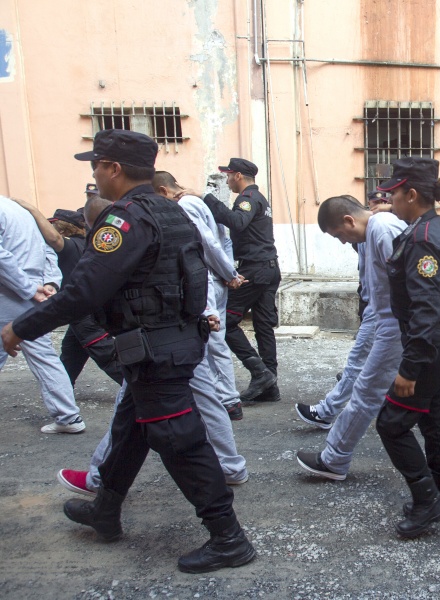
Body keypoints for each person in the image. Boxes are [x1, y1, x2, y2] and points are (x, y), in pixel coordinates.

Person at [1, 130, 255, 573]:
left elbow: (82, 291)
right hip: (168, 344)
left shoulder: (125, 220)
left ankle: (228, 537)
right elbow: (196, 274)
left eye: (96, 166)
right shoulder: (169, 210)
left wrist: (20, 327)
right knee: (132, 428)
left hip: (155, 350)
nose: (95, 174)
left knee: (179, 441)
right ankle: (106, 511)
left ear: (114, 169)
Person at [296, 195, 440, 483]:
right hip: (387, 320)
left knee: (367, 392)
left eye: (339, 234)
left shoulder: (382, 228)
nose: (343, 241)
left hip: (394, 325)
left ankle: (334, 459)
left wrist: (410, 334)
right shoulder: (375, 228)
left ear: (348, 220)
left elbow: (414, 284)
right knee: (425, 395)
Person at [371, 157, 440, 538]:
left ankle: (428, 501)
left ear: (411, 194)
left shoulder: (424, 237)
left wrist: (409, 368)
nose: (388, 199)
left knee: (391, 424)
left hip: (430, 345)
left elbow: (424, 307)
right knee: (434, 420)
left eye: (393, 193)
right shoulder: (431, 227)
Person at [183, 158, 280, 403]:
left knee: (225, 321)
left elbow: (237, 222)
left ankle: (260, 373)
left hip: (254, 270)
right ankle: (270, 384)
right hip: (268, 268)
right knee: (263, 326)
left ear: (237, 175)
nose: (227, 181)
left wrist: (206, 197)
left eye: (228, 176)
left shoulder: (247, 199)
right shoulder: (260, 198)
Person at [9, 190, 123, 386]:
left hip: (83, 313)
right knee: (71, 352)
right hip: (84, 310)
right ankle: (63, 387)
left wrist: (30, 208)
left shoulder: (68, 247)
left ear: (63, 229)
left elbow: (54, 239)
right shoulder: (87, 243)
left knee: (107, 355)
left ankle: (135, 389)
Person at [157, 171, 246, 421]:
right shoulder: (197, 202)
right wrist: (229, 272)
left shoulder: (185, 205)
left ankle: (225, 400)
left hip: (204, 278)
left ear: (164, 191)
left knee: (211, 342)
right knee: (215, 341)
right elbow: (222, 240)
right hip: (214, 277)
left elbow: (208, 243)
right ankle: (225, 399)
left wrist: (229, 272)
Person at [0, 195, 84, 433]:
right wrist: (50, 284)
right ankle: (68, 417)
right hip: (33, 289)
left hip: (11, 293)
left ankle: (68, 417)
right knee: (43, 355)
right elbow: (47, 249)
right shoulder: (19, 210)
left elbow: (2, 258)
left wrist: (28, 287)